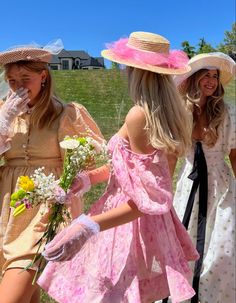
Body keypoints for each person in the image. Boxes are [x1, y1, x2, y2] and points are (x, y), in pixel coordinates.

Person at [38, 31, 200, 303]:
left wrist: (88, 225)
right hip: (143, 223)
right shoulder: (165, 115)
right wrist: (89, 178)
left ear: (137, 71)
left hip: (124, 222)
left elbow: (145, 199)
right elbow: (129, 172)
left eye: (126, 66)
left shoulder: (139, 116)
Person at [0, 41, 104, 303]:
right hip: (7, 208)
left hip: (44, 212)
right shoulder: (5, 112)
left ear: (43, 76)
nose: (18, 86)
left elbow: (107, 162)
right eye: (12, 80)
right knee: (26, 295)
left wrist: (84, 179)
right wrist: (4, 122)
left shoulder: (65, 113)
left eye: (25, 78)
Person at [163, 52, 235, 303]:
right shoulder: (179, 114)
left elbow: (235, 156)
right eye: (206, 75)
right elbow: (171, 157)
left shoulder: (227, 113)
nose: (211, 81)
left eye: (215, 77)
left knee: (222, 248)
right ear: (194, 79)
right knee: (186, 243)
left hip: (221, 186)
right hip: (188, 185)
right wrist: (164, 194)